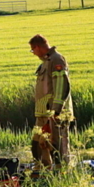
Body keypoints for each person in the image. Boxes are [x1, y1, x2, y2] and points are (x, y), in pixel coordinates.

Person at [29, 34, 72, 173]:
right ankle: (43, 170)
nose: (33, 53)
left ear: (38, 47)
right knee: (38, 143)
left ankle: (62, 172)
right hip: (42, 113)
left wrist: (56, 111)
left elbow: (61, 86)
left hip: (55, 113)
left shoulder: (56, 60)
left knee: (58, 144)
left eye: (33, 50)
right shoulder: (46, 62)